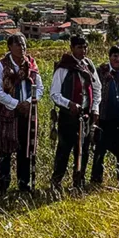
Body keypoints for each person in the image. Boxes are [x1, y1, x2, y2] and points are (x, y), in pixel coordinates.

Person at [0, 34, 43, 193]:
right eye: (18, 45)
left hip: (27, 114)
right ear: (10, 47)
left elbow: (39, 88)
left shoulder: (31, 65)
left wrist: (28, 102)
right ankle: (3, 185)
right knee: (5, 151)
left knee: (26, 150)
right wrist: (16, 104)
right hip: (7, 115)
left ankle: (24, 183)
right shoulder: (1, 66)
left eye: (24, 45)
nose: (22, 48)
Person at [50, 35, 101, 191]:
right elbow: (54, 94)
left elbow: (97, 88)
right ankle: (56, 182)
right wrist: (69, 104)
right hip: (68, 117)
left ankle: (78, 181)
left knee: (83, 151)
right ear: (72, 48)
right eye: (79, 47)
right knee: (64, 150)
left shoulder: (89, 66)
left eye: (85, 47)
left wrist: (95, 108)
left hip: (85, 116)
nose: (83, 50)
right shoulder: (64, 67)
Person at [90, 45, 119, 186]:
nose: (118, 59)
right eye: (115, 56)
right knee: (99, 151)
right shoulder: (100, 72)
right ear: (109, 57)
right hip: (103, 118)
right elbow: (93, 90)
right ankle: (95, 181)